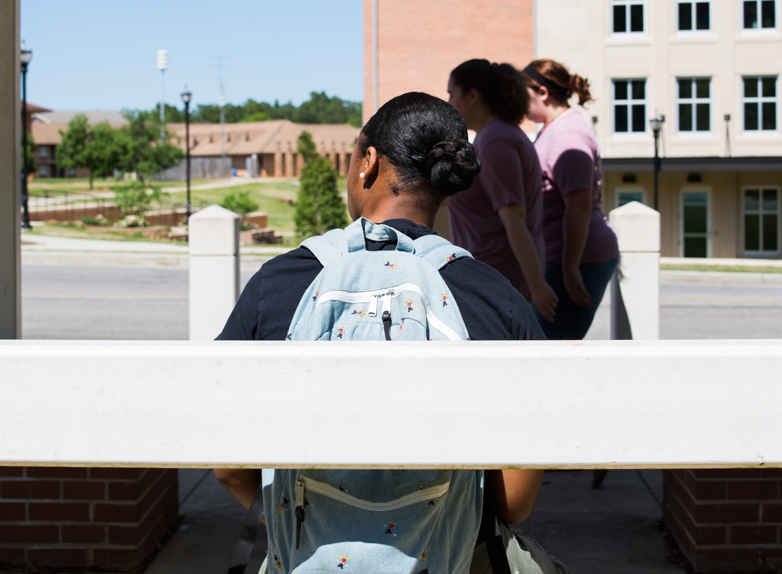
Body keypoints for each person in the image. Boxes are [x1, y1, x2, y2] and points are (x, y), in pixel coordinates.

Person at [214, 92, 545, 573]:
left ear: (367, 163)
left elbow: (227, 466)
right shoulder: (496, 297)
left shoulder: (280, 283)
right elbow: (514, 501)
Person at [446, 59, 557, 321]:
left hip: (498, 282)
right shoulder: (497, 135)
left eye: (452, 94)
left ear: (472, 96)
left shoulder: (495, 139)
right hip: (496, 281)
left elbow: (515, 218)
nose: (449, 102)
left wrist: (537, 287)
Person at [523, 59, 620, 341]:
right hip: (559, 256)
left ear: (542, 92)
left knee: (551, 349)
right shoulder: (552, 127)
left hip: (576, 259)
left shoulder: (569, 134)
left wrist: (570, 268)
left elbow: (578, 204)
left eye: (521, 92)